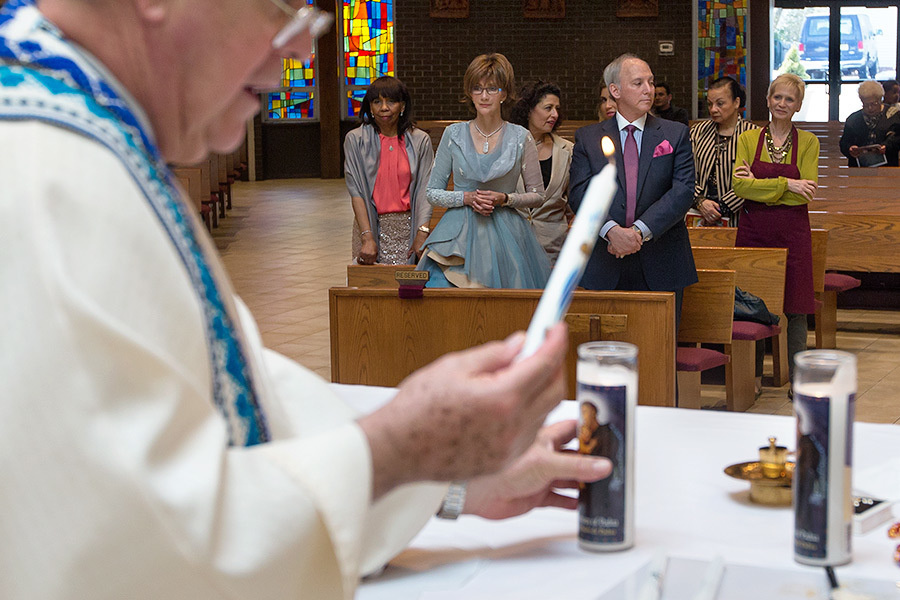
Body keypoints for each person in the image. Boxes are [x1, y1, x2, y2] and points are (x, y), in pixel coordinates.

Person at [0, 1, 613, 598]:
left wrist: (442, 476)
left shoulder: (88, 129)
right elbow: (138, 554)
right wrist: (398, 450)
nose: (299, 46)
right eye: (282, 11)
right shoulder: (43, 175)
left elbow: (233, 390)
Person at [569, 53, 696, 328]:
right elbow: (579, 193)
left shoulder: (674, 133)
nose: (649, 89)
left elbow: (683, 190)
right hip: (605, 259)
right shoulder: (588, 137)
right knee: (605, 355)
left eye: (650, 82)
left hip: (662, 258)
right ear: (615, 90)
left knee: (659, 355)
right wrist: (612, 231)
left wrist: (639, 231)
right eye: (638, 83)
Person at [417, 53, 551, 288]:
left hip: (507, 233)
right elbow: (432, 192)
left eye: (492, 88)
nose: (484, 96)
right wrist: (465, 197)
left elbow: (538, 195)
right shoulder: (453, 134)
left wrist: (505, 198)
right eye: (477, 89)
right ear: (469, 93)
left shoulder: (521, 137)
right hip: (458, 231)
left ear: (505, 94)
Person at [733, 73, 819, 385]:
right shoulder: (747, 139)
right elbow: (739, 186)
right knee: (750, 302)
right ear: (768, 100)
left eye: (790, 99)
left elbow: (806, 192)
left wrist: (761, 186)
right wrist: (786, 184)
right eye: (777, 97)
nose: (782, 104)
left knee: (796, 305)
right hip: (753, 231)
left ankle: (798, 380)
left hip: (793, 232)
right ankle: (752, 378)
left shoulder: (809, 142)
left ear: (798, 106)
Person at [344, 76, 434, 265]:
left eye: (391, 101)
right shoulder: (355, 140)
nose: (384, 107)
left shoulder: (420, 141)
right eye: (377, 101)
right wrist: (367, 237)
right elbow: (357, 192)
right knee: (370, 290)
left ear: (402, 106)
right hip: (369, 226)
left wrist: (422, 232)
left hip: (409, 228)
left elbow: (426, 190)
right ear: (369, 107)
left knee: (409, 291)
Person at [509, 80, 574, 265]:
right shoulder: (507, 147)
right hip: (511, 246)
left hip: (553, 248)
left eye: (557, 108)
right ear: (528, 110)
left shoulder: (567, 150)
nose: (554, 114)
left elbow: (571, 203)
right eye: (548, 108)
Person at [690, 77, 759, 226]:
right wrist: (700, 201)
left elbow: (754, 179)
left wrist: (721, 207)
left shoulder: (753, 135)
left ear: (736, 103)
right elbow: (684, 171)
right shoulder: (698, 132)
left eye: (720, 104)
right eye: (710, 104)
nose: (713, 109)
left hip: (739, 218)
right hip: (697, 214)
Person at [839, 80, 900, 168]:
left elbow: (897, 139)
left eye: (874, 104)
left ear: (880, 100)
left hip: (887, 167)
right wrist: (850, 149)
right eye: (865, 104)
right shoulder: (853, 119)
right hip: (859, 169)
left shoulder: (894, 116)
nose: (870, 108)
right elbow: (844, 143)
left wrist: (887, 147)